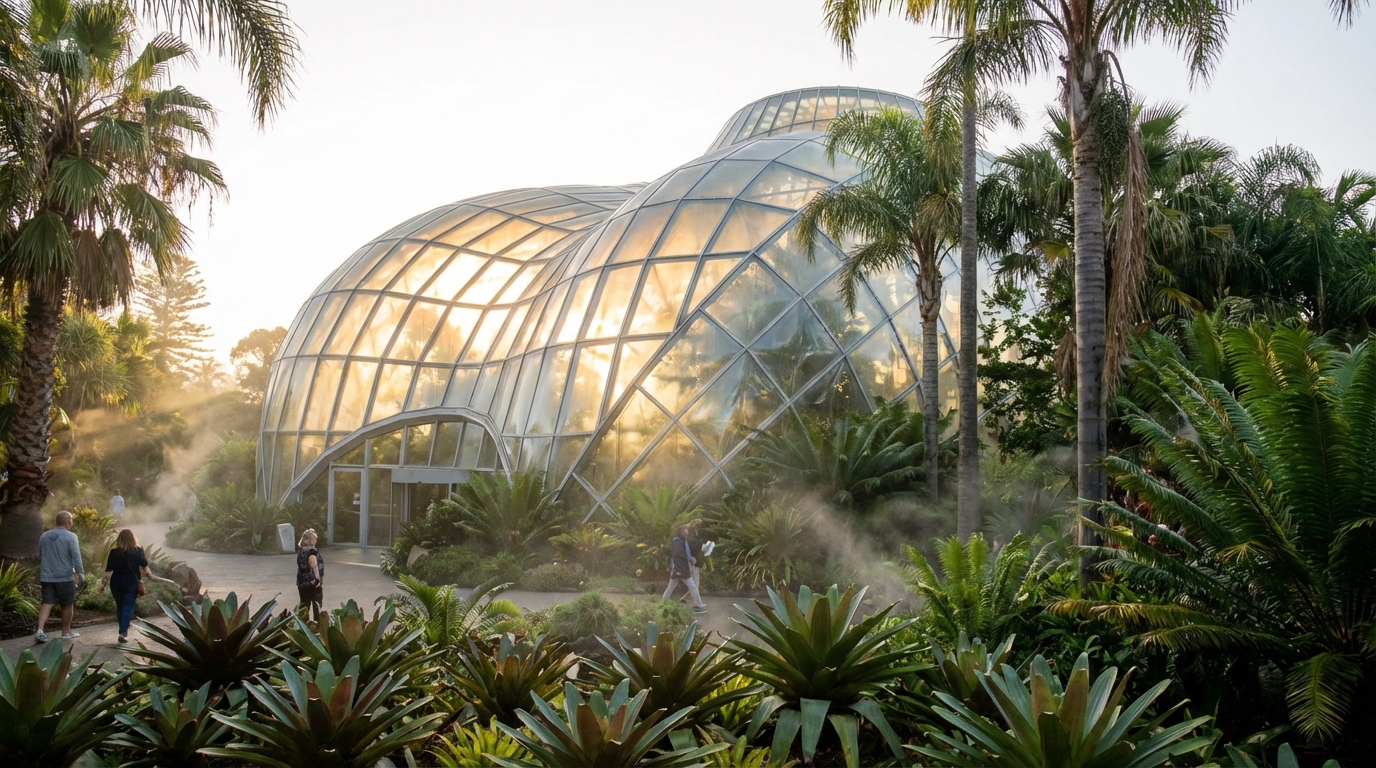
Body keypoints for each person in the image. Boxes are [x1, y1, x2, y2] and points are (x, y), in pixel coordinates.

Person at [36, 510, 84, 643]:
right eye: (72, 521)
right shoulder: (71, 537)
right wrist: (81, 574)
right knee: (67, 604)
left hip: (47, 576)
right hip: (64, 577)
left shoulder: (44, 536)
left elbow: (41, 554)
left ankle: (40, 630)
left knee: (47, 602)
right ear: (68, 522)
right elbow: (76, 557)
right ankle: (66, 632)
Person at [98, 528, 150, 643]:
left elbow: (108, 570)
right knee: (128, 606)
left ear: (119, 539)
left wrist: (102, 584)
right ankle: (123, 632)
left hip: (116, 581)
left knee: (120, 606)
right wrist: (149, 575)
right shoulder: (138, 551)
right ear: (133, 538)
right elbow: (144, 564)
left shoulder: (114, 552)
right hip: (131, 581)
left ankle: (123, 629)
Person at [663, 524, 707, 613]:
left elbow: (686, 555)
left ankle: (664, 603)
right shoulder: (677, 542)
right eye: (685, 530)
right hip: (680, 569)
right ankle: (698, 605)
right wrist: (679, 570)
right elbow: (677, 557)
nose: (687, 531)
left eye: (687, 530)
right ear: (680, 532)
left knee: (671, 587)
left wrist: (691, 558)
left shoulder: (682, 541)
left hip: (681, 568)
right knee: (693, 587)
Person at [296, 529, 323, 620]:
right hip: (312, 583)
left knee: (304, 605)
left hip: (301, 582)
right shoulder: (311, 552)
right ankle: (317, 625)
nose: (315, 541)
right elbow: (314, 566)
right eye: (313, 539)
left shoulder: (300, 551)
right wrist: (318, 580)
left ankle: (303, 624)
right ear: (307, 540)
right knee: (317, 605)